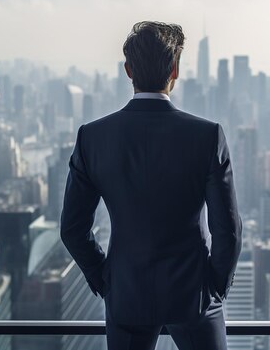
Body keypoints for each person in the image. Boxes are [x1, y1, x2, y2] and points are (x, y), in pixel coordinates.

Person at [60, 21, 242, 350]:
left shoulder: (93, 138)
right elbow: (227, 229)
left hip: (127, 294)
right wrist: (214, 289)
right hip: (195, 295)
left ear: (128, 70)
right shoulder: (207, 136)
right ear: (175, 69)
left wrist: (106, 279)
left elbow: (72, 228)